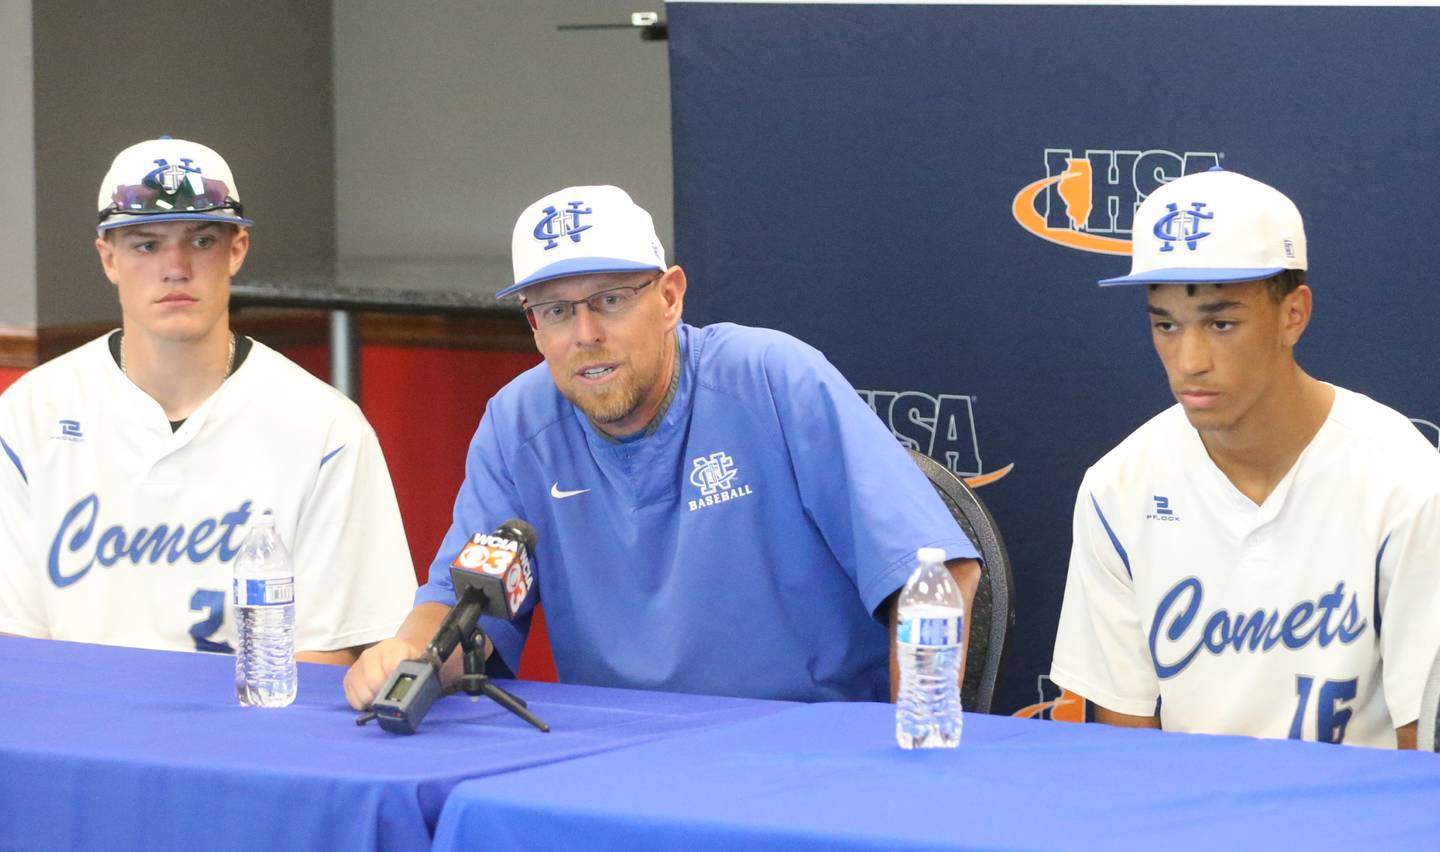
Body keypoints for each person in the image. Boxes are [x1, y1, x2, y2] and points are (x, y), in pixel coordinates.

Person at [344, 185, 980, 707]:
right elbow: (465, 612)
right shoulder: (517, 425)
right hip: (614, 762)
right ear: (533, 327)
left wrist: (914, 750)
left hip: (802, 755)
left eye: (610, 300)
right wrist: (411, 655)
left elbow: (938, 571)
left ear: (670, 297)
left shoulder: (771, 378)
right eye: (556, 312)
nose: (585, 334)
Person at [1050, 167, 1440, 748]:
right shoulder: (1118, 486)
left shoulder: (1405, 480)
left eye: (1221, 322)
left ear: (1293, 314)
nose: (1189, 360)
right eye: (1166, 325)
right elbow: (1124, 740)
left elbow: (1422, 744)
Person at [0, 137, 416, 661]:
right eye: (146, 244)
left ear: (236, 249)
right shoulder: (30, 413)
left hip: (250, 735)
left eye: (201, 241)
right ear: (108, 257)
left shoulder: (326, 429)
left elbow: (331, 655)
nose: (175, 267)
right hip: (78, 725)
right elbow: (13, 643)